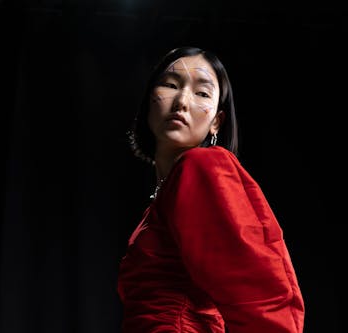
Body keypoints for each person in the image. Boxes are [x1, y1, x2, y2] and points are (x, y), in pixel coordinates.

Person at [117, 46, 305, 333]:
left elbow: (258, 289)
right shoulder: (158, 204)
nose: (181, 101)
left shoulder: (201, 165)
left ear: (216, 121)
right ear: (148, 103)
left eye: (201, 93)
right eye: (170, 85)